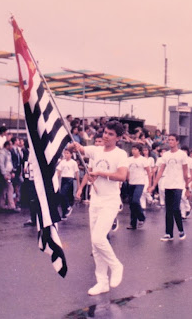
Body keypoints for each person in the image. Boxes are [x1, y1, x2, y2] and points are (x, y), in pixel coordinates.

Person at [69, 121, 128, 296]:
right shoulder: (96, 150)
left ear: (118, 138)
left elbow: (122, 176)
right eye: (105, 132)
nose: (106, 136)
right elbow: (79, 149)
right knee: (95, 246)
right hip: (95, 200)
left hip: (110, 201)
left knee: (98, 238)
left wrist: (101, 174)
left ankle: (116, 266)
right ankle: (102, 282)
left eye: (110, 134)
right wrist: (74, 146)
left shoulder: (121, 154)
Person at [148, 134, 190, 242]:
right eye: (169, 140)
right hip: (168, 184)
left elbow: (185, 172)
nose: (170, 141)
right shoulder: (165, 155)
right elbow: (161, 170)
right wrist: (153, 185)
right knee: (169, 210)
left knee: (176, 208)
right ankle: (169, 233)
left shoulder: (182, 155)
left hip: (179, 185)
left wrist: (187, 187)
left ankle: (181, 230)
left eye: (172, 140)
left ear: (177, 142)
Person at [126, 144, 151, 230]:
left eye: (135, 149)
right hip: (131, 183)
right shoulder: (129, 160)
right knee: (131, 204)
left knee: (135, 201)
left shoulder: (143, 160)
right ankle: (133, 223)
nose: (133, 151)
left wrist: (150, 184)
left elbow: (148, 172)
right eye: (133, 149)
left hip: (140, 183)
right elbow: (127, 170)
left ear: (139, 150)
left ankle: (142, 217)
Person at [56, 148, 79, 220]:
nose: (66, 154)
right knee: (62, 196)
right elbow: (58, 172)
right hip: (63, 179)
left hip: (70, 179)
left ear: (71, 154)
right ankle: (64, 214)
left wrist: (78, 184)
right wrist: (55, 180)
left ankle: (68, 206)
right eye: (65, 153)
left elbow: (76, 173)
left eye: (67, 153)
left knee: (63, 193)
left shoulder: (73, 163)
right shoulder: (62, 162)